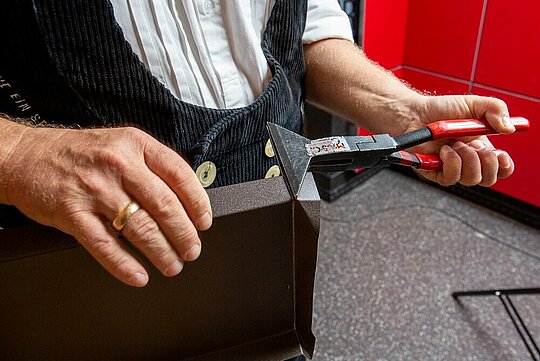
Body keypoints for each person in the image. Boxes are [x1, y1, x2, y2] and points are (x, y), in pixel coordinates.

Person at [0, 0, 516, 291]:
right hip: (77, 280)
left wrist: (405, 112)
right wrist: (19, 154)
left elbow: (307, 24)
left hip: (272, 245)